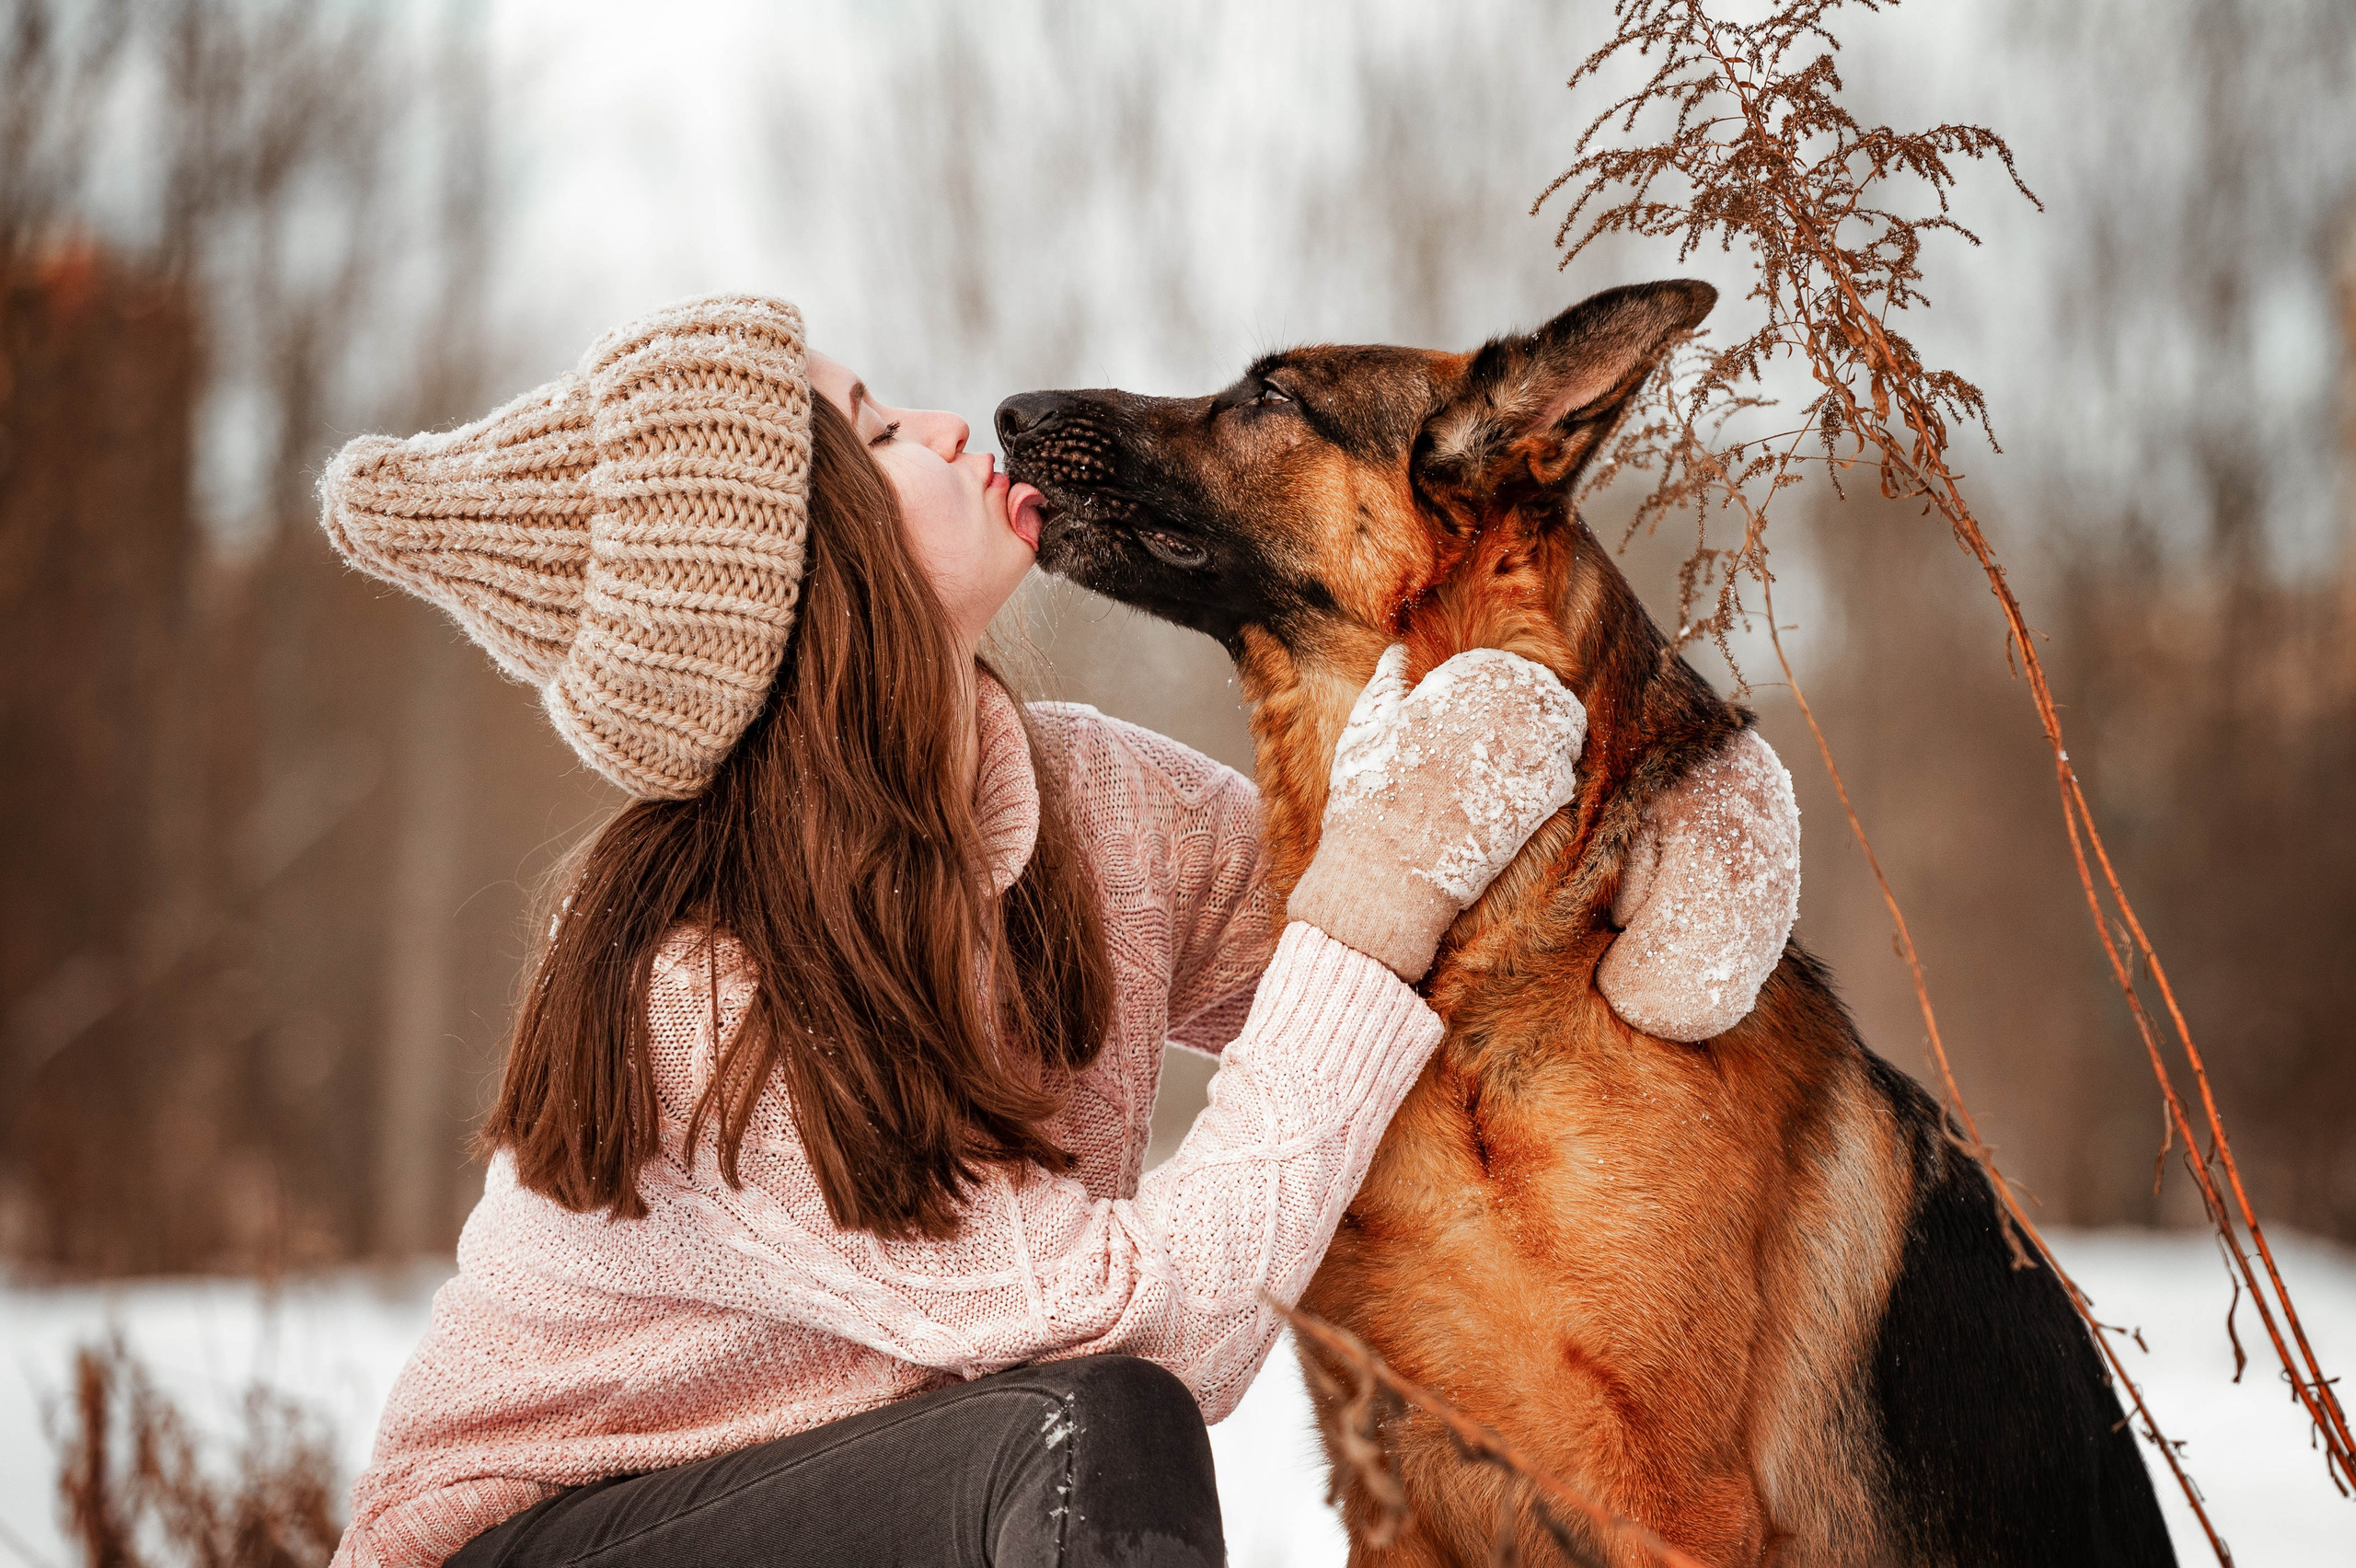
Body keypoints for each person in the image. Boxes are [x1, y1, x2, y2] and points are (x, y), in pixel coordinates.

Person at [316, 295, 1797, 1568]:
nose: (952, 427)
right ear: (813, 583)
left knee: (1073, 1435)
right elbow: (1157, 1327)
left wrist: (1694, 797)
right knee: (1096, 1423)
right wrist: (1376, 890)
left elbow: (1436, 946)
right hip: (552, 1544)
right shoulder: (702, 985)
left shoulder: (1081, 799)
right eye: (883, 434)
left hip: (880, 1506)